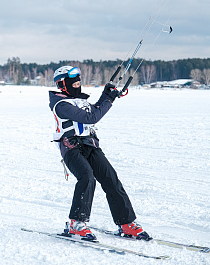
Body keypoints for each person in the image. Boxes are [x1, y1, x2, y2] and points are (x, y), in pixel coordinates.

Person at [48, 65, 150, 241]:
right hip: (71, 148)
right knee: (87, 177)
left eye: (79, 81)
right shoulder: (61, 104)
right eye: (74, 82)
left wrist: (106, 94)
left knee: (111, 178)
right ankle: (76, 223)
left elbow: (94, 109)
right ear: (63, 84)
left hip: (90, 144)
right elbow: (91, 118)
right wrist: (109, 101)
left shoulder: (79, 101)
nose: (77, 84)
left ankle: (126, 223)